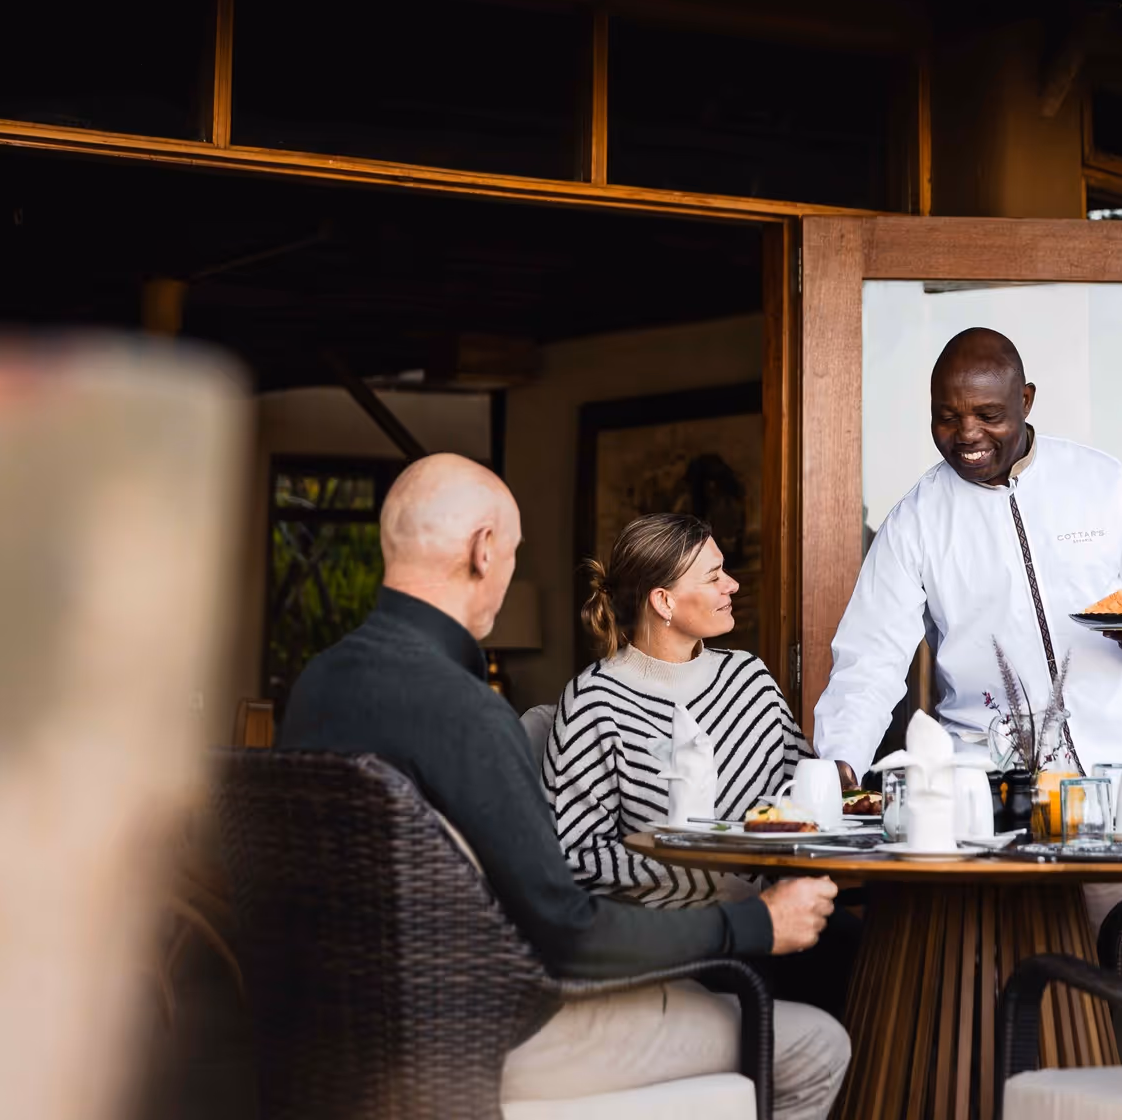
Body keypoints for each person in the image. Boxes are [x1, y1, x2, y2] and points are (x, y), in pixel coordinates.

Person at [278, 454, 849, 1118]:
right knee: (819, 1043)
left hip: (338, 1036)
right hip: (490, 1038)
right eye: (516, 553)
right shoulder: (465, 712)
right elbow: (568, 932)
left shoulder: (316, 684)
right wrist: (755, 922)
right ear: (484, 551)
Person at [812, 328, 1122, 978]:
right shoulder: (918, 519)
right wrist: (838, 763)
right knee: (990, 994)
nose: (967, 434)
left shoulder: (1099, 481)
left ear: (1027, 400)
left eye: (989, 414)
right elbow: (872, 655)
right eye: (946, 416)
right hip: (987, 804)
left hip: (1118, 787)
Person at [546, 512, 858, 1016]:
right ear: (663, 601)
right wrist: (706, 873)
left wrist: (840, 785)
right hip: (677, 939)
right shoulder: (594, 702)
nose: (732, 585)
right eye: (713, 578)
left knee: (865, 945)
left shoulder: (748, 678)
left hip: (778, 914)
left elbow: (805, 796)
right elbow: (573, 856)